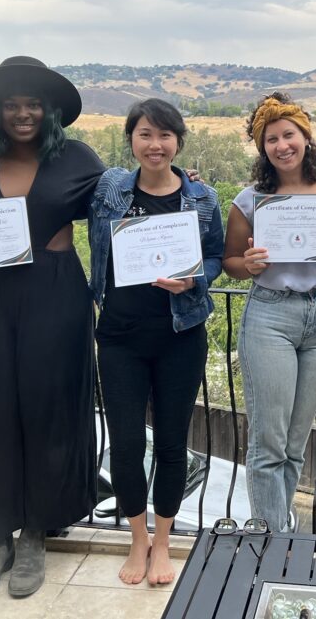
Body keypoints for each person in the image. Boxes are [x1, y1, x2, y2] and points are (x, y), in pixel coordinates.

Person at [0, 56, 106, 601]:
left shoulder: (79, 159)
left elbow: (123, 205)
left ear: (49, 109)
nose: (22, 113)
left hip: (56, 293)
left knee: (48, 408)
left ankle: (36, 533)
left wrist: (180, 183)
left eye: (32, 104)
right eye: (11, 105)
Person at [88, 99, 224, 586]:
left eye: (165, 135)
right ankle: (138, 540)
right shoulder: (109, 188)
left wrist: (194, 282)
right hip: (120, 337)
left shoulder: (203, 198)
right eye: (145, 134)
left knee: (171, 445)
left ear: (178, 142)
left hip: (180, 335)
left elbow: (215, 257)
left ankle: (163, 542)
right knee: (124, 445)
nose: (155, 144)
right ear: (131, 139)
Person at [223, 92, 316, 533]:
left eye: (289, 135)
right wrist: (247, 266)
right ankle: (271, 541)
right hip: (271, 316)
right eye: (271, 139)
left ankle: (279, 534)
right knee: (269, 441)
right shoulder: (250, 199)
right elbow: (230, 262)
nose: (282, 145)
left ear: (306, 136)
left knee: (295, 441)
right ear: (261, 148)